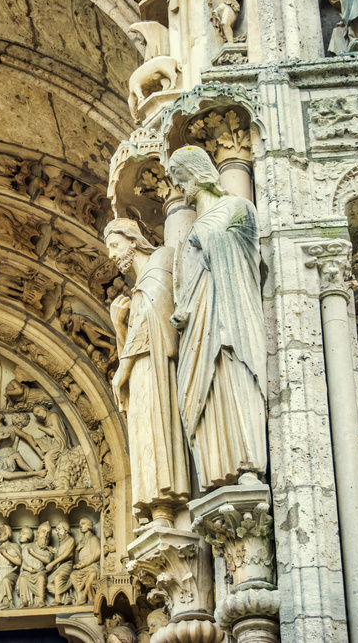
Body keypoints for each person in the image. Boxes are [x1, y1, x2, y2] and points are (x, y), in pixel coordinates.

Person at [167, 146, 268, 490]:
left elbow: (242, 259)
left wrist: (202, 233)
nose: (180, 188)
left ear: (197, 171)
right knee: (203, 392)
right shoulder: (195, 228)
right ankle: (217, 471)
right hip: (198, 326)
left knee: (231, 376)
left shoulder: (237, 208)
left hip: (229, 316)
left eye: (180, 177)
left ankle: (248, 464)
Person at [104, 218, 190, 524]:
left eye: (114, 246)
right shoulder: (139, 287)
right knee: (144, 433)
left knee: (156, 429)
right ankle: (157, 511)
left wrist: (121, 369)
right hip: (142, 369)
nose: (112, 256)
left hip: (156, 370)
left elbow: (155, 325)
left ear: (133, 239)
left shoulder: (161, 262)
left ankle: (166, 505)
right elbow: (136, 339)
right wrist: (117, 326)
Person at [70, 518, 100, 604]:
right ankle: (80, 594)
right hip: (82, 568)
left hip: (92, 566)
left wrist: (86, 563)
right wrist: (76, 550)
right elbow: (77, 561)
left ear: (89, 525)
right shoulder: (81, 542)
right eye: (80, 524)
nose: (80, 526)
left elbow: (97, 554)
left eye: (83, 523)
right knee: (73, 575)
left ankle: (85, 595)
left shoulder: (94, 539)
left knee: (92, 575)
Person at [46, 522, 75, 605]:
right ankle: (65, 597)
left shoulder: (71, 540)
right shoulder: (61, 543)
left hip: (67, 566)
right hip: (60, 567)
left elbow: (66, 554)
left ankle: (58, 599)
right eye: (56, 530)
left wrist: (52, 564)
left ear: (66, 530)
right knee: (47, 582)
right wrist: (54, 552)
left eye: (59, 529)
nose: (57, 532)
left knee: (58, 577)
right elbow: (59, 555)